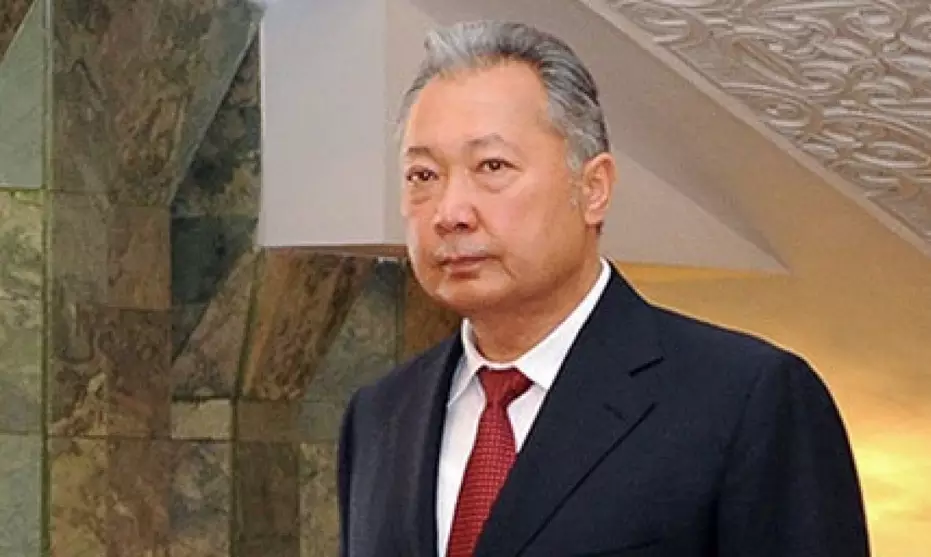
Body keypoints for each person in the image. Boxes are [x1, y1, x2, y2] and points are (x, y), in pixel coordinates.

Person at [337, 19, 870, 557]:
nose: (450, 212)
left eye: (492, 166)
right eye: (423, 176)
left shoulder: (747, 399)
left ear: (593, 189)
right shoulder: (380, 415)